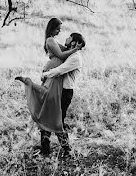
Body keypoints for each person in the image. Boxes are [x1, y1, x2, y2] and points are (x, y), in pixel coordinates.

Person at [15, 19, 84, 156]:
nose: (62, 33)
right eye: (58, 29)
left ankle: (66, 150)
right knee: (50, 116)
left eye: (69, 37)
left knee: (58, 120)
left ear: (75, 42)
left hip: (64, 91)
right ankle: (46, 148)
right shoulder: (59, 46)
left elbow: (60, 69)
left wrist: (45, 73)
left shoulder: (75, 57)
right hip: (56, 86)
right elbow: (59, 57)